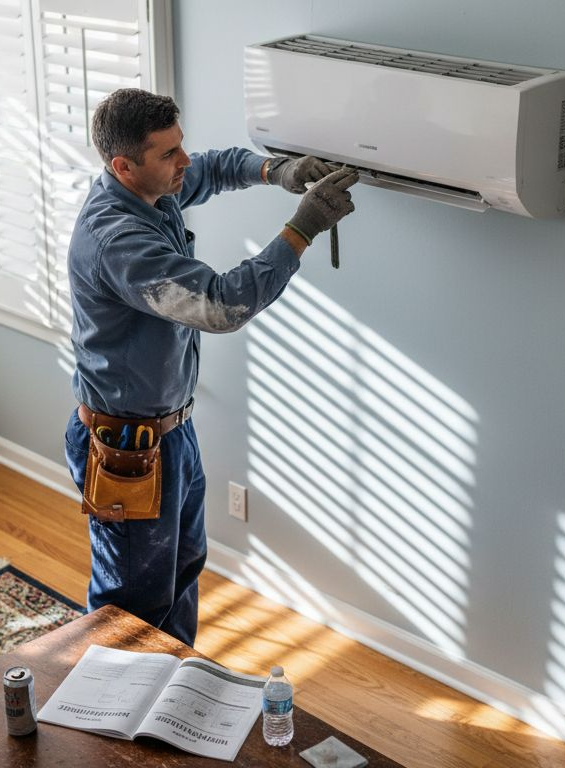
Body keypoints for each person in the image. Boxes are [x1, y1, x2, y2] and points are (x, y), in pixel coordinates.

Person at [63, 88, 358, 645]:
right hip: (126, 449)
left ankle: (173, 690)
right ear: (123, 166)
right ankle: (112, 701)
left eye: (181, 145)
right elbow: (220, 305)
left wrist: (278, 170)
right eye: (168, 153)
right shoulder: (118, 240)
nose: (184, 161)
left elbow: (215, 168)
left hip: (169, 432)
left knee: (179, 576)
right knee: (130, 608)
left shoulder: (152, 190)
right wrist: (302, 228)